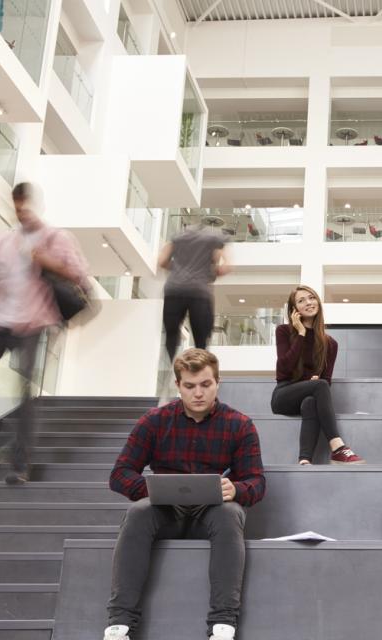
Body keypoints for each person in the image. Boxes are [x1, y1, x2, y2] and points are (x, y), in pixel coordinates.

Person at [104, 348, 265, 640]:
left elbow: (256, 481)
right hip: (165, 512)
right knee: (138, 512)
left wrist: (237, 488)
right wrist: (154, 490)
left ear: (218, 382)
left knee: (230, 513)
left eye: (206, 384)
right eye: (190, 386)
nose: (199, 393)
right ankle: (120, 625)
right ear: (178, 386)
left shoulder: (239, 424)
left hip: (212, 512)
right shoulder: (154, 421)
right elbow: (119, 475)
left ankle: (222, 625)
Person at [0, 181, 88, 485]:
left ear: (34, 204)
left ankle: (19, 463)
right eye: (16, 206)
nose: (21, 211)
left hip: (32, 322)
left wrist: (44, 259)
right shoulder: (4, 242)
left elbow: (78, 274)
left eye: (25, 204)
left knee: (24, 391)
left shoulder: (55, 237)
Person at [270, 285, 364, 465]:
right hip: (283, 395)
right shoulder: (283, 331)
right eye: (301, 300)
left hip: (308, 395)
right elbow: (283, 369)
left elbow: (326, 380)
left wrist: (315, 383)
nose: (308, 302)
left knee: (311, 402)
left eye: (311, 298)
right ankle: (337, 447)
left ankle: (304, 460)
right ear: (294, 310)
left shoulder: (330, 344)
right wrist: (301, 334)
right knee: (318, 385)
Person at [158, 225, 227, 363]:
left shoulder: (177, 237)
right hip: (199, 292)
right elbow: (223, 266)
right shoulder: (212, 238)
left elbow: (162, 261)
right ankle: (200, 370)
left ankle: (171, 368)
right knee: (201, 339)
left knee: (171, 334)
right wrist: (212, 270)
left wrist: (177, 268)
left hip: (174, 290)